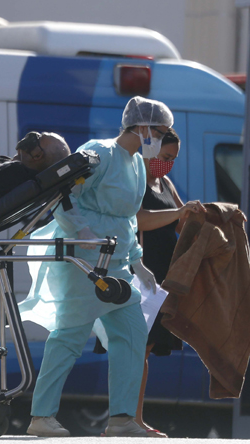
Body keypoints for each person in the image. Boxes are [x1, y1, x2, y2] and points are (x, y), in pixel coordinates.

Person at [18, 96, 172, 437]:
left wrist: (137, 261)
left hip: (115, 265)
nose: (163, 139)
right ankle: (41, 416)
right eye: (161, 132)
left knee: (132, 335)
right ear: (142, 127)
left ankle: (121, 419)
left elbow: (127, 219)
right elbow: (63, 194)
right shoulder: (98, 152)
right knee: (69, 336)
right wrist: (81, 230)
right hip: (83, 262)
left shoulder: (136, 164)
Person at [130, 128, 204, 437]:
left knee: (144, 350)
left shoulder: (165, 183)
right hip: (140, 274)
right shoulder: (134, 178)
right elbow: (139, 219)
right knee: (135, 348)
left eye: (173, 159)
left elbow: (181, 223)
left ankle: (134, 418)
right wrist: (179, 212)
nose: (168, 164)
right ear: (149, 150)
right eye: (164, 157)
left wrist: (199, 214)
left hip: (161, 277)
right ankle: (127, 418)